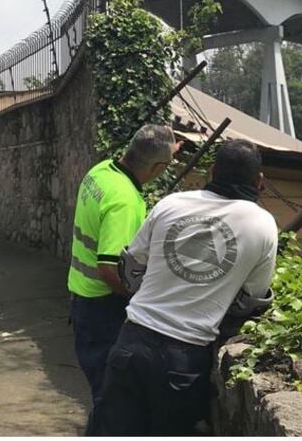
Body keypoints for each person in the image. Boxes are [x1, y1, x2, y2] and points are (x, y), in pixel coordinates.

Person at [89, 139, 278, 436]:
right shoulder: (263, 225)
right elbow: (251, 301)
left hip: (131, 341)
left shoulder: (171, 203)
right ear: (260, 181)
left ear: (213, 171)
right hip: (185, 358)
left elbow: (131, 265)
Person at [67, 123, 178, 405]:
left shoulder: (101, 172)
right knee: (112, 400)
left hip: (81, 297)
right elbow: (108, 269)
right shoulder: (125, 202)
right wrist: (143, 300)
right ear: (158, 167)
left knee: (103, 390)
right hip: (102, 310)